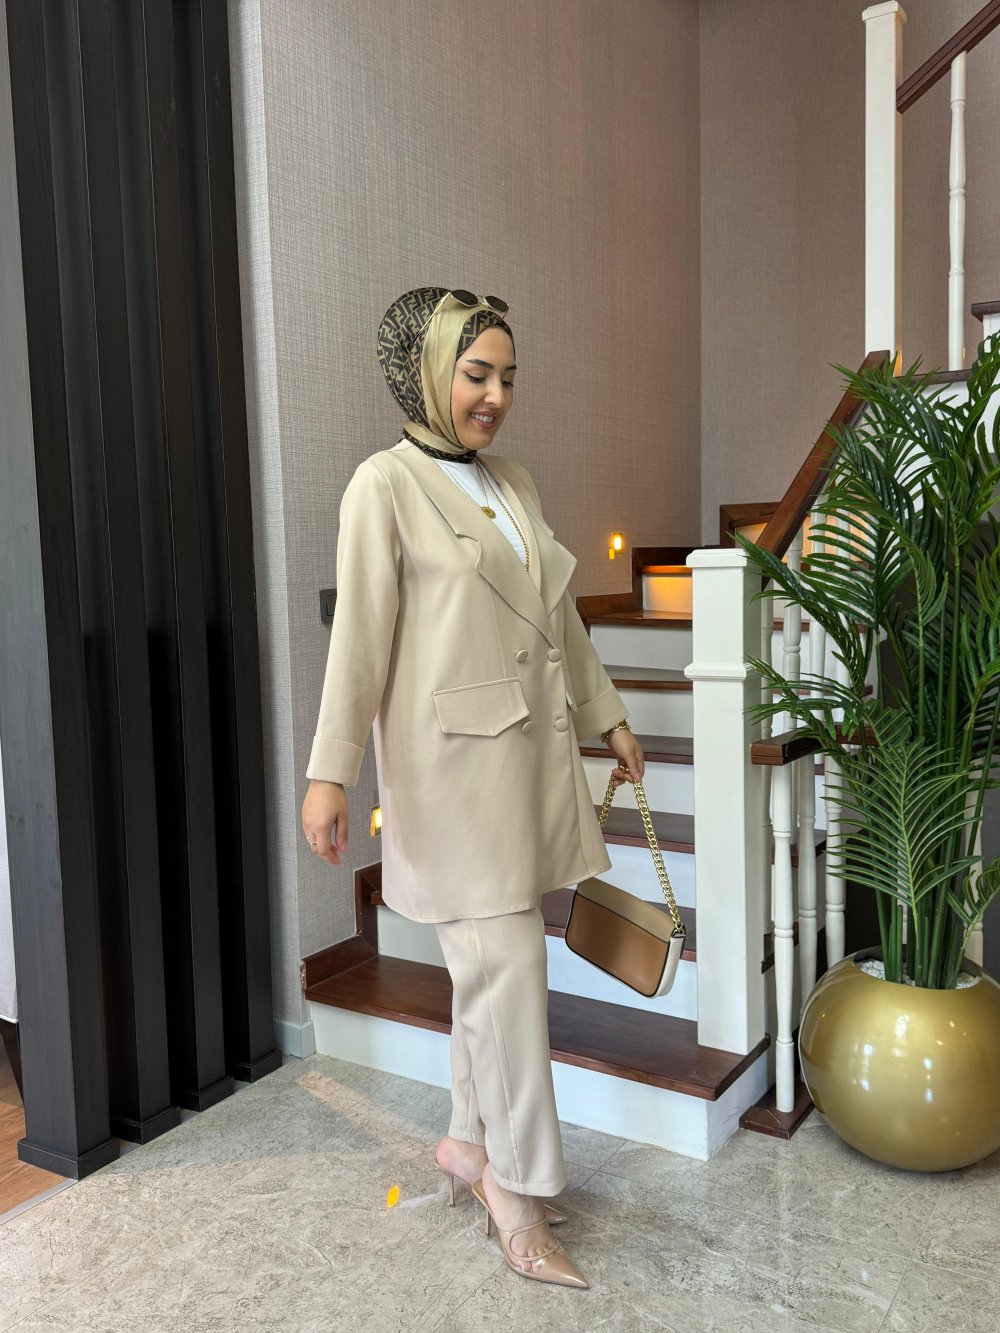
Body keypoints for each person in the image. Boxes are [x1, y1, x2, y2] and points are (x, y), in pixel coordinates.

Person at [301, 287, 645, 1289]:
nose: (494, 395)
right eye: (475, 373)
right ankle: (518, 1191)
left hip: (529, 764)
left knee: (491, 975)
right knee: (509, 974)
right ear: (426, 372)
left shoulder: (514, 482)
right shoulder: (383, 486)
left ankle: (464, 1141)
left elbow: (558, 617)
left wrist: (609, 717)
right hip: (451, 773)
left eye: (506, 377)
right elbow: (360, 641)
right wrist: (330, 773)